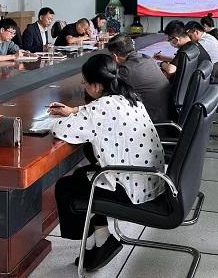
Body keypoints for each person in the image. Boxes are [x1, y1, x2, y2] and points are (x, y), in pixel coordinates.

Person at [49, 54, 165, 272]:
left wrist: (67, 117)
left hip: (131, 189)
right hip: (149, 178)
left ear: (96, 85)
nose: (84, 86)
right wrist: (76, 111)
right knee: (82, 176)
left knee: (66, 188)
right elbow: (100, 114)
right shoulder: (129, 97)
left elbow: (60, 129)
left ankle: (95, 241)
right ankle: (101, 239)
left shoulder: (101, 107)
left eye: (85, 82)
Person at [106, 34, 170, 123]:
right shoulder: (147, 58)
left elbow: (110, 96)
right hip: (167, 116)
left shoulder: (125, 70)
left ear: (115, 56)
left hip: (152, 122)